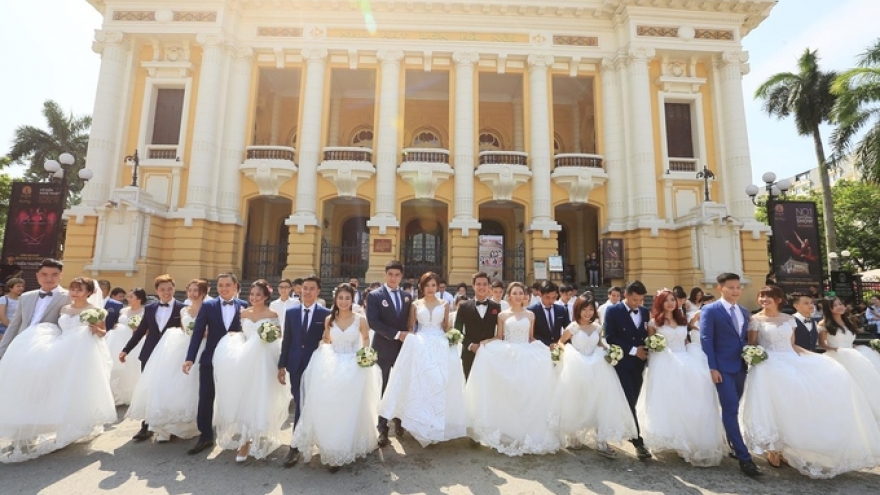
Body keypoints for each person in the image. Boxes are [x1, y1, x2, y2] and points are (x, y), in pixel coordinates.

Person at [742, 286, 880, 478]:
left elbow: (792, 345)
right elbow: (753, 344)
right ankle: (772, 449)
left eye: (768, 297)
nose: (764, 299)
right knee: (773, 405)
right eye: (761, 296)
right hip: (768, 365)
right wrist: (754, 355)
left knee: (795, 404)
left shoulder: (788, 319)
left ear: (779, 299)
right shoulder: (754, 320)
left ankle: (787, 447)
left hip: (790, 361)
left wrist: (817, 357)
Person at [0, 276, 116, 463]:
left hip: (80, 353)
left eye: (79, 289)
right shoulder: (64, 308)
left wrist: (96, 330)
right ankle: (38, 426)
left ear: (89, 292)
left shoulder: (96, 311)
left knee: (73, 389)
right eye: (73, 289)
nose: (75, 293)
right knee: (49, 388)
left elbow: (103, 333)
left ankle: (72, 424)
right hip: (61, 349)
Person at [293, 284, 381, 472]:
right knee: (330, 405)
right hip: (331, 364)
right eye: (340, 298)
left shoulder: (360, 320)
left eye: (347, 298)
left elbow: (365, 339)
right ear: (336, 300)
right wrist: (323, 349)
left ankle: (347, 445)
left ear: (352, 299)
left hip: (353, 365)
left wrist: (364, 355)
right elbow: (327, 340)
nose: (343, 302)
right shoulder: (329, 319)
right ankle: (330, 447)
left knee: (349, 407)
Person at [465, 281, 559, 456]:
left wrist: (543, 349)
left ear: (524, 296)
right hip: (508, 352)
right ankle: (507, 429)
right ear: (509, 296)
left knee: (527, 391)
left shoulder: (530, 315)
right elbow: (499, 336)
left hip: (526, 353)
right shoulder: (502, 315)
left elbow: (530, 337)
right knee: (509, 392)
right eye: (514, 293)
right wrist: (487, 343)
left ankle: (525, 431)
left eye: (520, 293)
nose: (517, 296)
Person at [638, 290, 725, 466]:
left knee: (694, 397)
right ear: (659, 303)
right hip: (665, 362)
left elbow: (685, 341)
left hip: (686, 358)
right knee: (671, 400)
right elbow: (652, 344)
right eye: (666, 300)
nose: (670, 303)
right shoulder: (654, 322)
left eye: (673, 300)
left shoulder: (683, 320)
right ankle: (675, 437)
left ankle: (691, 436)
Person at [379, 272, 466, 447]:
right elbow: (411, 327)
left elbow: (446, 327)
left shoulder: (445, 304)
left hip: (440, 344)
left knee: (440, 382)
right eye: (427, 285)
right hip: (421, 344)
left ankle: (438, 422)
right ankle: (421, 422)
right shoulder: (415, 304)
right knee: (422, 384)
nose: (431, 288)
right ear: (422, 286)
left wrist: (452, 337)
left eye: (434, 285)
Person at [549, 296, 635, 457]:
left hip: (596, 366)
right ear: (578, 310)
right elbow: (561, 342)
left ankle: (601, 440)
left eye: (590, 310)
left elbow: (599, 344)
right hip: (578, 366)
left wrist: (610, 351)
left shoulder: (597, 327)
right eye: (584, 309)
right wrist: (568, 353)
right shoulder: (573, 327)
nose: (588, 313)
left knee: (599, 401)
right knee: (578, 400)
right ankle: (574, 435)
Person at [214, 280, 290, 462]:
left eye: (258, 294)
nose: (254, 297)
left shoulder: (272, 313)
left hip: (264, 361)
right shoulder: (243, 313)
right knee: (244, 396)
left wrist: (267, 335)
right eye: (252, 294)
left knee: (261, 395)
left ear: (265, 296)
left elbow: (278, 335)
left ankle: (257, 433)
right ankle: (245, 440)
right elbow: (239, 332)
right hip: (244, 360)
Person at [128, 279, 207, 442]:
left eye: (196, 290)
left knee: (192, 387)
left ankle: (190, 422)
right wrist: (125, 349)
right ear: (156, 291)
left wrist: (204, 333)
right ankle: (157, 425)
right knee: (166, 386)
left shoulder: (207, 309)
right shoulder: (184, 311)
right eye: (190, 290)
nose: (192, 294)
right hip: (175, 351)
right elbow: (145, 329)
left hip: (200, 350)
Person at [700, 273, 760, 476]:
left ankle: (730, 443)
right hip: (722, 368)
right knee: (731, 410)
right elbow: (706, 340)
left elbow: (743, 337)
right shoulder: (710, 310)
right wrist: (712, 367)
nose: (735, 291)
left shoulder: (743, 311)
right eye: (731, 287)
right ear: (721, 288)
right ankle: (745, 458)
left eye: (738, 287)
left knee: (733, 409)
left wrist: (751, 352)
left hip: (741, 367)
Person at [183, 273, 248, 456]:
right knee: (205, 396)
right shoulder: (208, 305)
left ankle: (240, 435)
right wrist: (190, 357)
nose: (224, 288)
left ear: (235, 287)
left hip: (235, 360)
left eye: (228, 285)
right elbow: (197, 333)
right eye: (220, 285)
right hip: (210, 358)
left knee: (236, 396)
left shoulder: (244, 306)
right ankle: (205, 436)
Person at [120, 275, 184, 441]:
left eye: (169, 288)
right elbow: (141, 331)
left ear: (174, 289)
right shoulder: (150, 308)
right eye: (162, 289)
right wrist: (126, 349)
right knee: (148, 389)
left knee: (168, 390)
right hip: (150, 354)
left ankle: (168, 426)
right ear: (157, 291)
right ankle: (146, 426)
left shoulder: (182, 309)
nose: (166, 292)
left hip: (171, 356)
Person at [277, 274, 330, 467]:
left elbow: (329, 340)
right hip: (295, 365)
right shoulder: (291, 313)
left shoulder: (325, 313)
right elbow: (287, 341)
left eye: (311, 289)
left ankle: (296, 446)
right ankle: (301, 440)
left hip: (316, 365)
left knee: (304, 404)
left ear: (318, 292)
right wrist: (281, 365)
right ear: (299, 290)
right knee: (300, 401)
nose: (307, 292)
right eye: (304, 288)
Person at [366, 260, 413, 448]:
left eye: (397, 275)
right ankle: (383, 428)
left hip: (403, 350)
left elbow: (410, 321)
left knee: (401, 385)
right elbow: (373, 322)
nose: (393, 278)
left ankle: (399, 421)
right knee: (383, 387)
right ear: (385, 275)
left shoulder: (406, 296)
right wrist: (397, 334)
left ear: (401, 277)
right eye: (390, 274)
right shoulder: (375, 296)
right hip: (384, 348)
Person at [603, 280, 651, 460]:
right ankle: (638, 441)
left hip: (639, 364)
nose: (638, 304)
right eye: (634, 300)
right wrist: (633, 350)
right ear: (626, 295)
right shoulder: (613, 311)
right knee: (629, 400)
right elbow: (610, 336)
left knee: (634, 399)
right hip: (622, 362)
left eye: (640, 300)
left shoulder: (645, 312)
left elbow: (647, 334)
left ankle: (626, 430)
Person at [818, 296, 880, 425]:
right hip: (836, 355)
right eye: (835, 305)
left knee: (864, 384)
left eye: (841, 303)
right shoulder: (824, 324)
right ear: (829, 308)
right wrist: (837, 349)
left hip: (853, 354)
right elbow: (822, 344)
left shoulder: (848, 321)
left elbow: (850, 341)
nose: (840, 306)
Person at [0, 259, 70, 359]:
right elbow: (14, 325)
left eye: (54, 274)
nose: (49, 278)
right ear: (37, 276)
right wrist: (2, 350)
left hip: (48, 349)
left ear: (61, 276)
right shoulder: (25, 297)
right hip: (21, 345)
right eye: (44, 274)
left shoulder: (69, 297)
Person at [453, 272, 500, 380]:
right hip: (469, 354)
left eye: (484, 284)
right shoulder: (464, 306)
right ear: (473, 286)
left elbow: (500, 332)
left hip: (489, 354)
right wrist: (470, 345)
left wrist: (490, 344)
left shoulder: (496, 307)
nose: (482, 287)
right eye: (478, 284)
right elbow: (457, 331)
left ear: (489, 287)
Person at [105, 287, 147, 406]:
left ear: (139, 299)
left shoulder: (145, 311)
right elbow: (118, 322)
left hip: (135, 341)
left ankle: (133, 394)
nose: (127, 299)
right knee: (116, 366)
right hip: (118, 339)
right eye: (128, 296)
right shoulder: (123, 310)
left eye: (131, 297)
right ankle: (116, 395)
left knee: (133, 366)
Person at [528, 280, 571, 346]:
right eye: (547, 297)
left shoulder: (562, 310)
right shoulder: (532, 311)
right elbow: (531, 334)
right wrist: (548, 344)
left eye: (554, 297)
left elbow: (569, 329)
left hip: (558, 348)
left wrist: (561, 343)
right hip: (539, 348)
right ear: (540, 294)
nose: (551, 301)